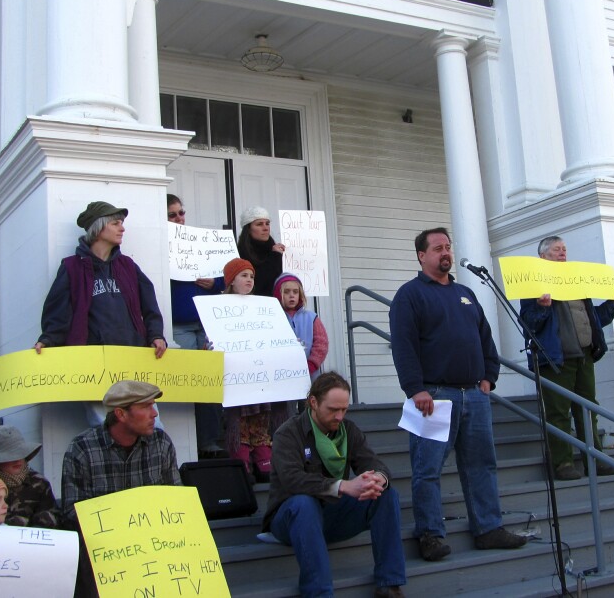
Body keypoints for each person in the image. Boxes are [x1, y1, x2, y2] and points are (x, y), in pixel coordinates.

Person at [389, 227, 526, 562]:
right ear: (422, 256)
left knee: (481, 464)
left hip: (474, 397)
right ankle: (431, 535)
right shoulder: (409, 296)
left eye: (448, 246)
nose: (445, 252)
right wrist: (415, 389)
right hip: (433, 396)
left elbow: (484, 338)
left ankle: (488, 528)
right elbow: (404, 347)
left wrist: (489, 378)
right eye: (437, 248)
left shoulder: (465, 293)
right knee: (428, 468)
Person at [262, 372, 406, 598]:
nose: (339, 416)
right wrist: (343, 486)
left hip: (331, 515)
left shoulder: (349, 430)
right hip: (289, 518)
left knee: (386, 494)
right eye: (333, 410)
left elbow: (374, 463)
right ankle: (319, 593)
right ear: (313, 402)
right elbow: (292, 480)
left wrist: (378, 478)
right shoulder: (288, 433)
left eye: (344, 409)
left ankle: (390, 584)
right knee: (303, 503)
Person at [61, 380, 181, 596]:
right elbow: (72, 512)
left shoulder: (161, 443)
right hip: (105, 557)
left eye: (153, 405)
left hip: (154, 550)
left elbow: (176, 500)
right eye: (146, 407)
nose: (154, 413)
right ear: (121, 414)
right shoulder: (82, 449)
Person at [519, 236, 614, 481]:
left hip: (584, 356)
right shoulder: (534, 285)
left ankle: (595, 460)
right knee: (558, 412)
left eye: (564, 248)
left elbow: (593, 319)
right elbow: (528, 323)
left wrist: (611, 306)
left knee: (588, 409)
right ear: (543, 256)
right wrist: (543, 307)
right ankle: (562, 463)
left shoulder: (577, 281)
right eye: (556, 249)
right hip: (556, 359)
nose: (562, 252)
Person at [35, 200, 166, 356]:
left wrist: (156, 335)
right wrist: (48, 340)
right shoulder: (72, 267)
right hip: (90, 359)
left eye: (121, 223)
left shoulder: (128, 266)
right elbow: (57, 313)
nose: (122, 228)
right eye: (115, 223)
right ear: (98, 228)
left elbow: (150, 306)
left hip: (133, 354)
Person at [167, 194, 226, 458]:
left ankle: (211, 442)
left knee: (211, 378)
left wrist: (214, 284)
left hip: (206, 322)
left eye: (181, 212)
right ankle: (191, 445)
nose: (180, 218)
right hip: (179, 325)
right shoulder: (159, 245)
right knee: (191, 381)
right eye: (173, 215)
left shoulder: (199, 242)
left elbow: (226, 277)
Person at [220, 258, 289, 481]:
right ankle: (242, 459)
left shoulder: (262, 307)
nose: (249, 280)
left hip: (258, 373)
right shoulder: (218, 307)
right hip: (235, 374)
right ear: (231, 281)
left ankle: (263, 457)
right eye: (243, 276)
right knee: (238, 419)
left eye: (251, 276)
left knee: (261, 415)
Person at [0, 425, 60, 528]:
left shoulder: (39, 483)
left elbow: (54, 522)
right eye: (11, 456)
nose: (18, 459)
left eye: (21, 453)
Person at [273, 272, 329, 380]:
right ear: (278, 294)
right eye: (286, 292)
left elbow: (321, 344)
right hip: (281, 376)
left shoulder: (311, 318)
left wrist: (311, 365)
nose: (292, 295)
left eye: (295, 292)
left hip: (310, 376)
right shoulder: (273, 318)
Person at [237, 206, 285, 297]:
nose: (265, 228)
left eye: (267, 223)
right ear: (248, 229)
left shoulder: (275, 250)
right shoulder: (240, 254)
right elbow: (258, 284)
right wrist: (275, 256)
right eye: (259, 224)